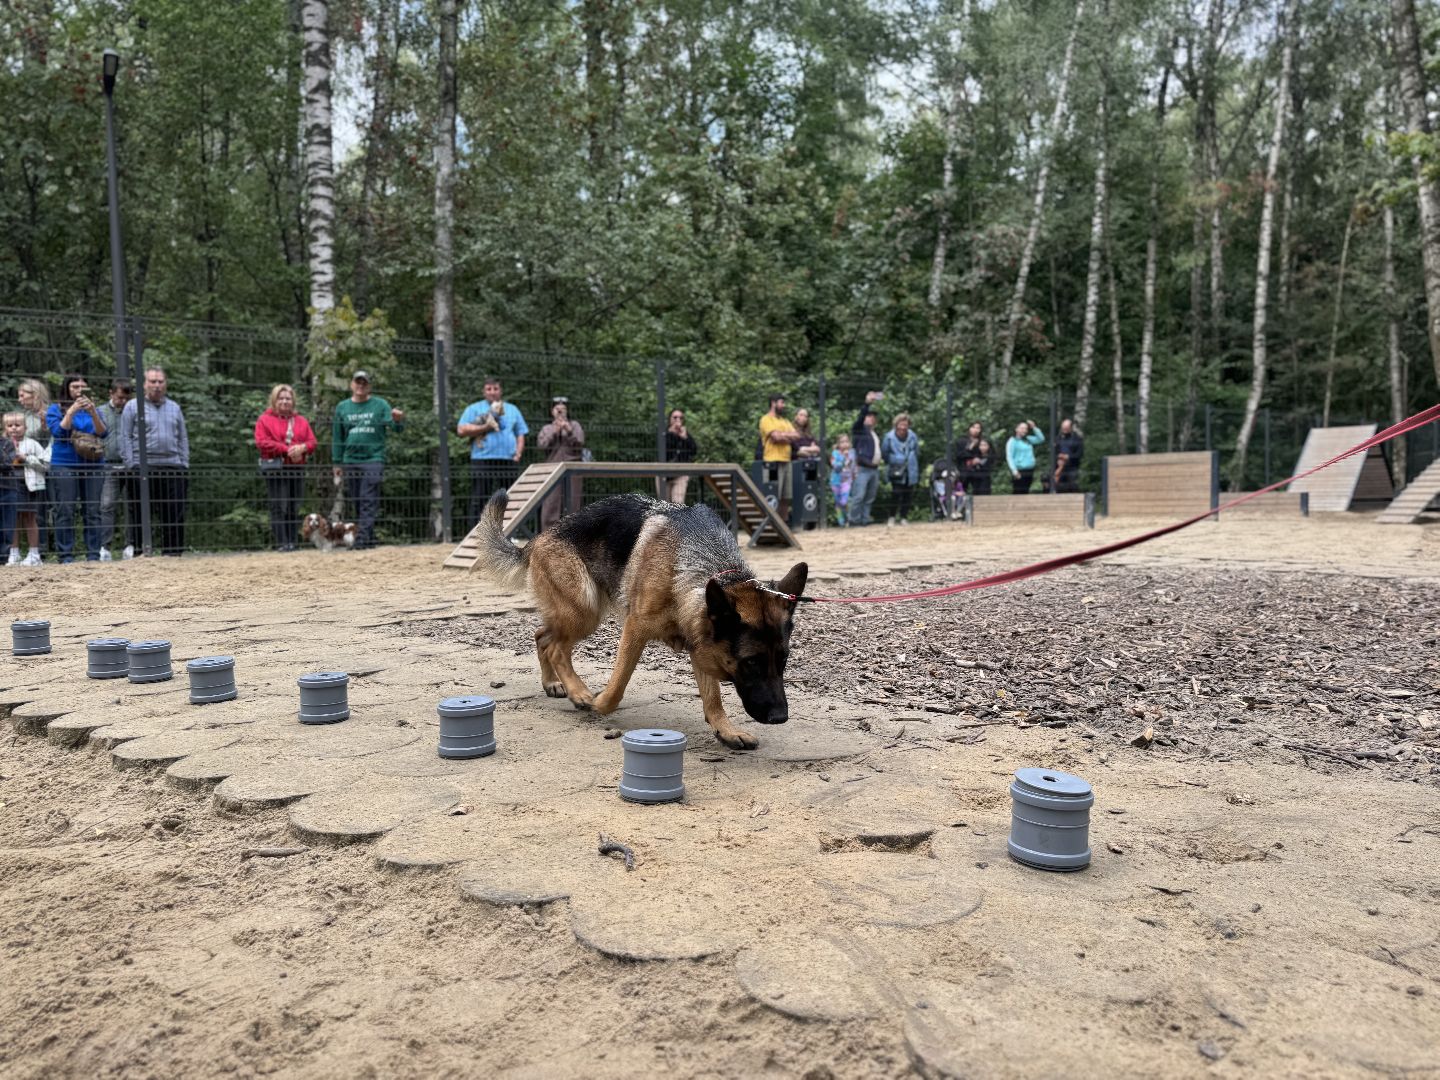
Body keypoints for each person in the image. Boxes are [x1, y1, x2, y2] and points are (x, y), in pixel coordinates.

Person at [121, 367, 191, 557]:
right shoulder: (132, 406)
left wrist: (184, 463)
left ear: (166, 384)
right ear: (144, 384)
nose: (157, 385)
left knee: (173, 512)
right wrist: (131, 465)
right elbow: (125, 436)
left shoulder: (174, 407)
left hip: (173, 466)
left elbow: (183, 438)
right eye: (153, 381)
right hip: (142, 466)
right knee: (140, 512)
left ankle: (173, 553)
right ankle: (139, 551)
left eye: (160, 381)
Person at [331, 370, 404, 550]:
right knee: (357, 499)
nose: (361, 385)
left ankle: (361, 540)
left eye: (364, 383)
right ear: (351, 385)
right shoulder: (342, 407)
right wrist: (336, 462)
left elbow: (396, 428)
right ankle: (369, 538)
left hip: (374, 458)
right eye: (358, 382)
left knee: (368, 498)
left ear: (369, 386)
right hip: (350, 459)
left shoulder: (380, 405)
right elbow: (337, 437)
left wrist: (398, 420)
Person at [46, 373, 108, 563]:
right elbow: (59, 432)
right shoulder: (55, 409)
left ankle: (93, 555)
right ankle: (65, 555)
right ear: (66, 388)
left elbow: (103, 432)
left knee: (93, 511)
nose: (79, 390)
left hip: (94, 464)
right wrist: (71, 410)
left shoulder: (95, 409)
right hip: (64, 463)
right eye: (75, 387)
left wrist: (93, 413)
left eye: (82, 387)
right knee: (65, 509)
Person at [256, 384, 318, 552]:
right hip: (275, 468)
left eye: (288, 398)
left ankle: (292, 542)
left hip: (296, 468)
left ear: (293, 401)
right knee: (277, 506)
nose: (284, 401)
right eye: (281, 398)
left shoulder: (301, 420)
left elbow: (313, 442)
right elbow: (261, 442)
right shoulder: (264, 419)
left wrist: (303, 448)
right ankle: (281, 543)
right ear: (274, 400)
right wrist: (287, 450)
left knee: (293, 505)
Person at [458, 376, 527, 527]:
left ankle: (509, 532)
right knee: (480, 498)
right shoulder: (474, 408)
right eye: (489, 389)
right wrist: (486, 427)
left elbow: (520, 433)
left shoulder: (512, 409)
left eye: (495, 388)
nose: (492, 392)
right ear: (484, 391)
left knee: (510, 497)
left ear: (500, 391)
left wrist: (518, 453)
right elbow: (461, 430)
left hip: (508, 459)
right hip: (482, 458)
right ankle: (475, 533)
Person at [96, 378, 133, 560]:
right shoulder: (100, 411)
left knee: (132, 505)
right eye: (120, 398)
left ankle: (131, 545)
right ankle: (105, 547)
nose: (123, 401)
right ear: (111, 394)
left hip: (131, 465)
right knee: (107, 505)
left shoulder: (134, 411)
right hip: (108, 464)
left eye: (126, 398)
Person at [3, 411, 46, 565]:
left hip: (29, 487)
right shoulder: (3, 444)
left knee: (30, 518)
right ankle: (13, 554)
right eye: (10, 425)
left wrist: (26, 459)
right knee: (12, 520)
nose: (14, 428)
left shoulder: (33, 444)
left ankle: (34, 554)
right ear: (5, 428)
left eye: (18, 425)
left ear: (25, 427)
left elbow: (45, 464)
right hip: (8, 487)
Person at [537, 397, 585, 529]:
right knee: (551, 503)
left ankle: (573, 535)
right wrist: (555, 431)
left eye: (563, 409)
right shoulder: (547, 428)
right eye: (557, 408)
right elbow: (542, 445)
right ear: (552, 411)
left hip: (573, 468)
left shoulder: (575, 425)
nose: (560, 410)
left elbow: (580, 443)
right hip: (553, 469)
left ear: (567, 411)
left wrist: (568, 430)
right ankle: (548, 536)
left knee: (573, 503)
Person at [758, 393, 800, 521]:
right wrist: (787, 436)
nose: (784, 405)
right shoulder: (766, 419)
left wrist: (782, 436)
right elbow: (775, 437)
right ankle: (770, 524)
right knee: (772, 494)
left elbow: (796, 436)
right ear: (773, 403)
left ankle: (784, 525)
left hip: (786, 461)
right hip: (772, 462)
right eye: (781, 402)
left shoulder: (785, 421)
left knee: (786, 496)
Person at [847, 391, 884, 526]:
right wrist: (867, 404)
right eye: (869, 416)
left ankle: (864, 519)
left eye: (873, 417)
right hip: (863, 468)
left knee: (869, 497)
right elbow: (860, 417)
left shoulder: (873, 433)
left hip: (874, 469)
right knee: (859, 496)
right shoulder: (859, 430)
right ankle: (854, 520)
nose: (871, 418)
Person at [881, 411, 920, 525]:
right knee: (896, 493)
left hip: (910, 468)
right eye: (901, 424)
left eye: (905, 424)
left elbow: (917, 451)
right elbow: (885, 453)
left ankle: (904, 517)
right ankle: (892, 516)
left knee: (908, 494)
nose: (903, 427)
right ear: (896, 424)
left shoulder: (913, 436)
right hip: (896, 468)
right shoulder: (889, 437)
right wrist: (894, 460)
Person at [663, 408, 697, 503]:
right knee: (663, 505)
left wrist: (685, 438)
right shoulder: (665, 434)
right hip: (664, 473)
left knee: (678, 504)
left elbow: (694, 450)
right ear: (670, 419)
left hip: (681, 473)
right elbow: (665, 453)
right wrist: (672, 434)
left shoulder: (685, 434)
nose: (678, 420)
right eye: (675, 417)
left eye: (681, 418)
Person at [1005, 419, 1045, 495]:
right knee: (1018, 492)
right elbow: (1009, 457)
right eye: (1022, 428)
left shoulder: (1028, 439)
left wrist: (1034, 427)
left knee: (1026, 492)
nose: (1024, 430)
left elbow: (1041, 439)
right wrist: (1014, 471)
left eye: (1026, 428)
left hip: (1030, 470)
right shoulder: (1012, 441)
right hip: (1019, 470)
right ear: (1016, 429)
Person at [829, 433, 855, 526]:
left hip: (847, 481)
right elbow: (836, 467)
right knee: (838, 502)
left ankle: (848, 518)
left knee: (845, 501)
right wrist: (843, 457)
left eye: (846, 441)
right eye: (842, 442)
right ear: (838, 444)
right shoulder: (834, 453)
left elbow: (853, 466)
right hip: (836, 480)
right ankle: (841, 521)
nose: (845, 444)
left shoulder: (852, 453)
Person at [1053, 418, 1084, 493]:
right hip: (1059, 467)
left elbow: (1080, 454)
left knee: (1072, 485)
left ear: (1071, 428)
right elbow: (1054, 452)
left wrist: (1068, 457)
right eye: (1063, 428)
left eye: (1066, 428)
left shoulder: (1077, 439)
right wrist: (1058, 457)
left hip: (1072, 467)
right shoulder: (1057, 439)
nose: (1064, 430)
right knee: (1058, 486)